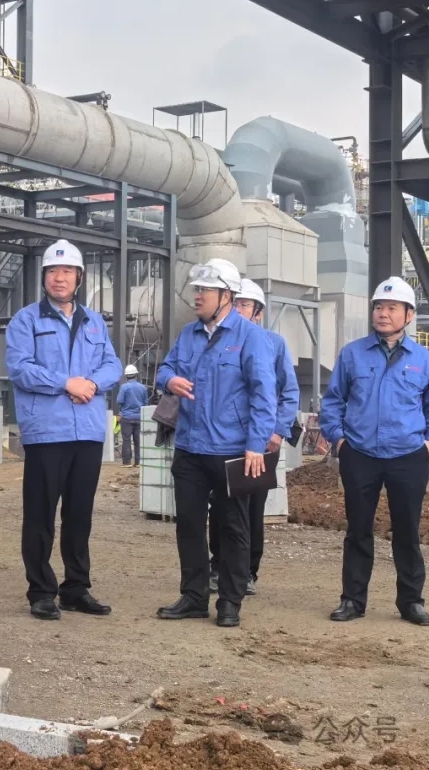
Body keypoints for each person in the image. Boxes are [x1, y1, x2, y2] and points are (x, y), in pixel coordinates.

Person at [155, 259, 277, 628]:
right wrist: (169, 381)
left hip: (232, 450)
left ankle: (229, 602)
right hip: (190, 448)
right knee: (189, 525)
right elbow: (165, 368)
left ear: (226, 295)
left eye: (205, 290)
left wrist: (255, 445)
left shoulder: (250, 337)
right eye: (197, 289)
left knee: (232, 528)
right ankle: (194, 597)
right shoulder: (188, 334)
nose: (198, 296)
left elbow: (264, 395)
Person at [319, 276, 429, 627]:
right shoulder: (353, 354)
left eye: (392, 308)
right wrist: (339, 441)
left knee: (407, 531)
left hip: (408, 455)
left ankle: (411, 601)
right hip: (360, 453)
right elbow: (333, 401)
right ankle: (352, 600)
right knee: (358, 530)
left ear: (408, 315)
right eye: (378, 307)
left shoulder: (422, 359)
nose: (383, 314)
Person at [5, 239, 123, 621]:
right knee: (40, 514)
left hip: (87, 431)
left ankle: (76, 588)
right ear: (44, 277)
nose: (60, 277)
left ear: (79, 278)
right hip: (47, 431)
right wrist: (65, 382)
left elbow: (113, 364)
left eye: (67, 271)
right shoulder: (26, 320)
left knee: (79, 514)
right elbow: (19, 368)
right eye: (53, 271)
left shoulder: (94, 321)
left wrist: (92, 383)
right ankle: (41, 591)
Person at [208, 279, 300, 596]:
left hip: (259, 442)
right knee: (219, 506)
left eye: (245, 305)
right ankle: (218, 566)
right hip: (223, 440)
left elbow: (289, 392)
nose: (238, 309)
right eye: (235, 303)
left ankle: (247, 570)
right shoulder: (217, 339)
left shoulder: (273, 344)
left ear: (258, 312)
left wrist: (276, 431)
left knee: (251, 508)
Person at [116, 365, 148, 467]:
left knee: (126, 439)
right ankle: (138, 462)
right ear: (136, 375)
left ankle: (127, 462)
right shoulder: (143, 387)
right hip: (139, 417)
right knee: (138, 440)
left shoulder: (124, 387)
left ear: (126, 376)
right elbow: (145, 403)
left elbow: (119, 401)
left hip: (126, 417)